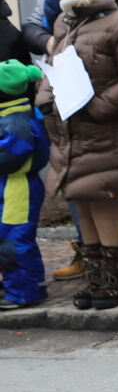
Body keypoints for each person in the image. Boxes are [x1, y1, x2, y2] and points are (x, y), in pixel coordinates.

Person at [38, 0, 118, 312]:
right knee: (82, 206)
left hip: (105, 133)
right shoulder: (64, 23)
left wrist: (98, 106)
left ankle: (115, 283)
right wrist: (46, 101)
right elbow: (51, 68)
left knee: (104, 206)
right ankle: (96, 278)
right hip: (70, 134)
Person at [0, 61, 49, 310]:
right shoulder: (17, 113)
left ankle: (21, 292)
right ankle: (34, 283)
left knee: (12, 240)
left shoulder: (14, 120)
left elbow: (10, 155)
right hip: (16, 186)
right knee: (20, 238)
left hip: (16, 188)